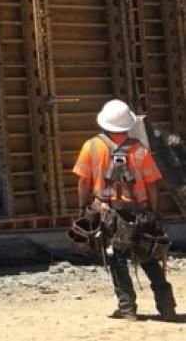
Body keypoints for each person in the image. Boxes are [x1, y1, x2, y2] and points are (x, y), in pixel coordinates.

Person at [73, 99, 177, 322]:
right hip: (139, 212)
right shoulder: (140, 149)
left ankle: (127, 308)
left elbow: (83, 182)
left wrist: (82, 208)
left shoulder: (91, 146)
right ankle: (167, 307)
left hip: (108, 214)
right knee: (148, 256)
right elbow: (151, 184)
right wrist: (153, 211)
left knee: (117, 260)